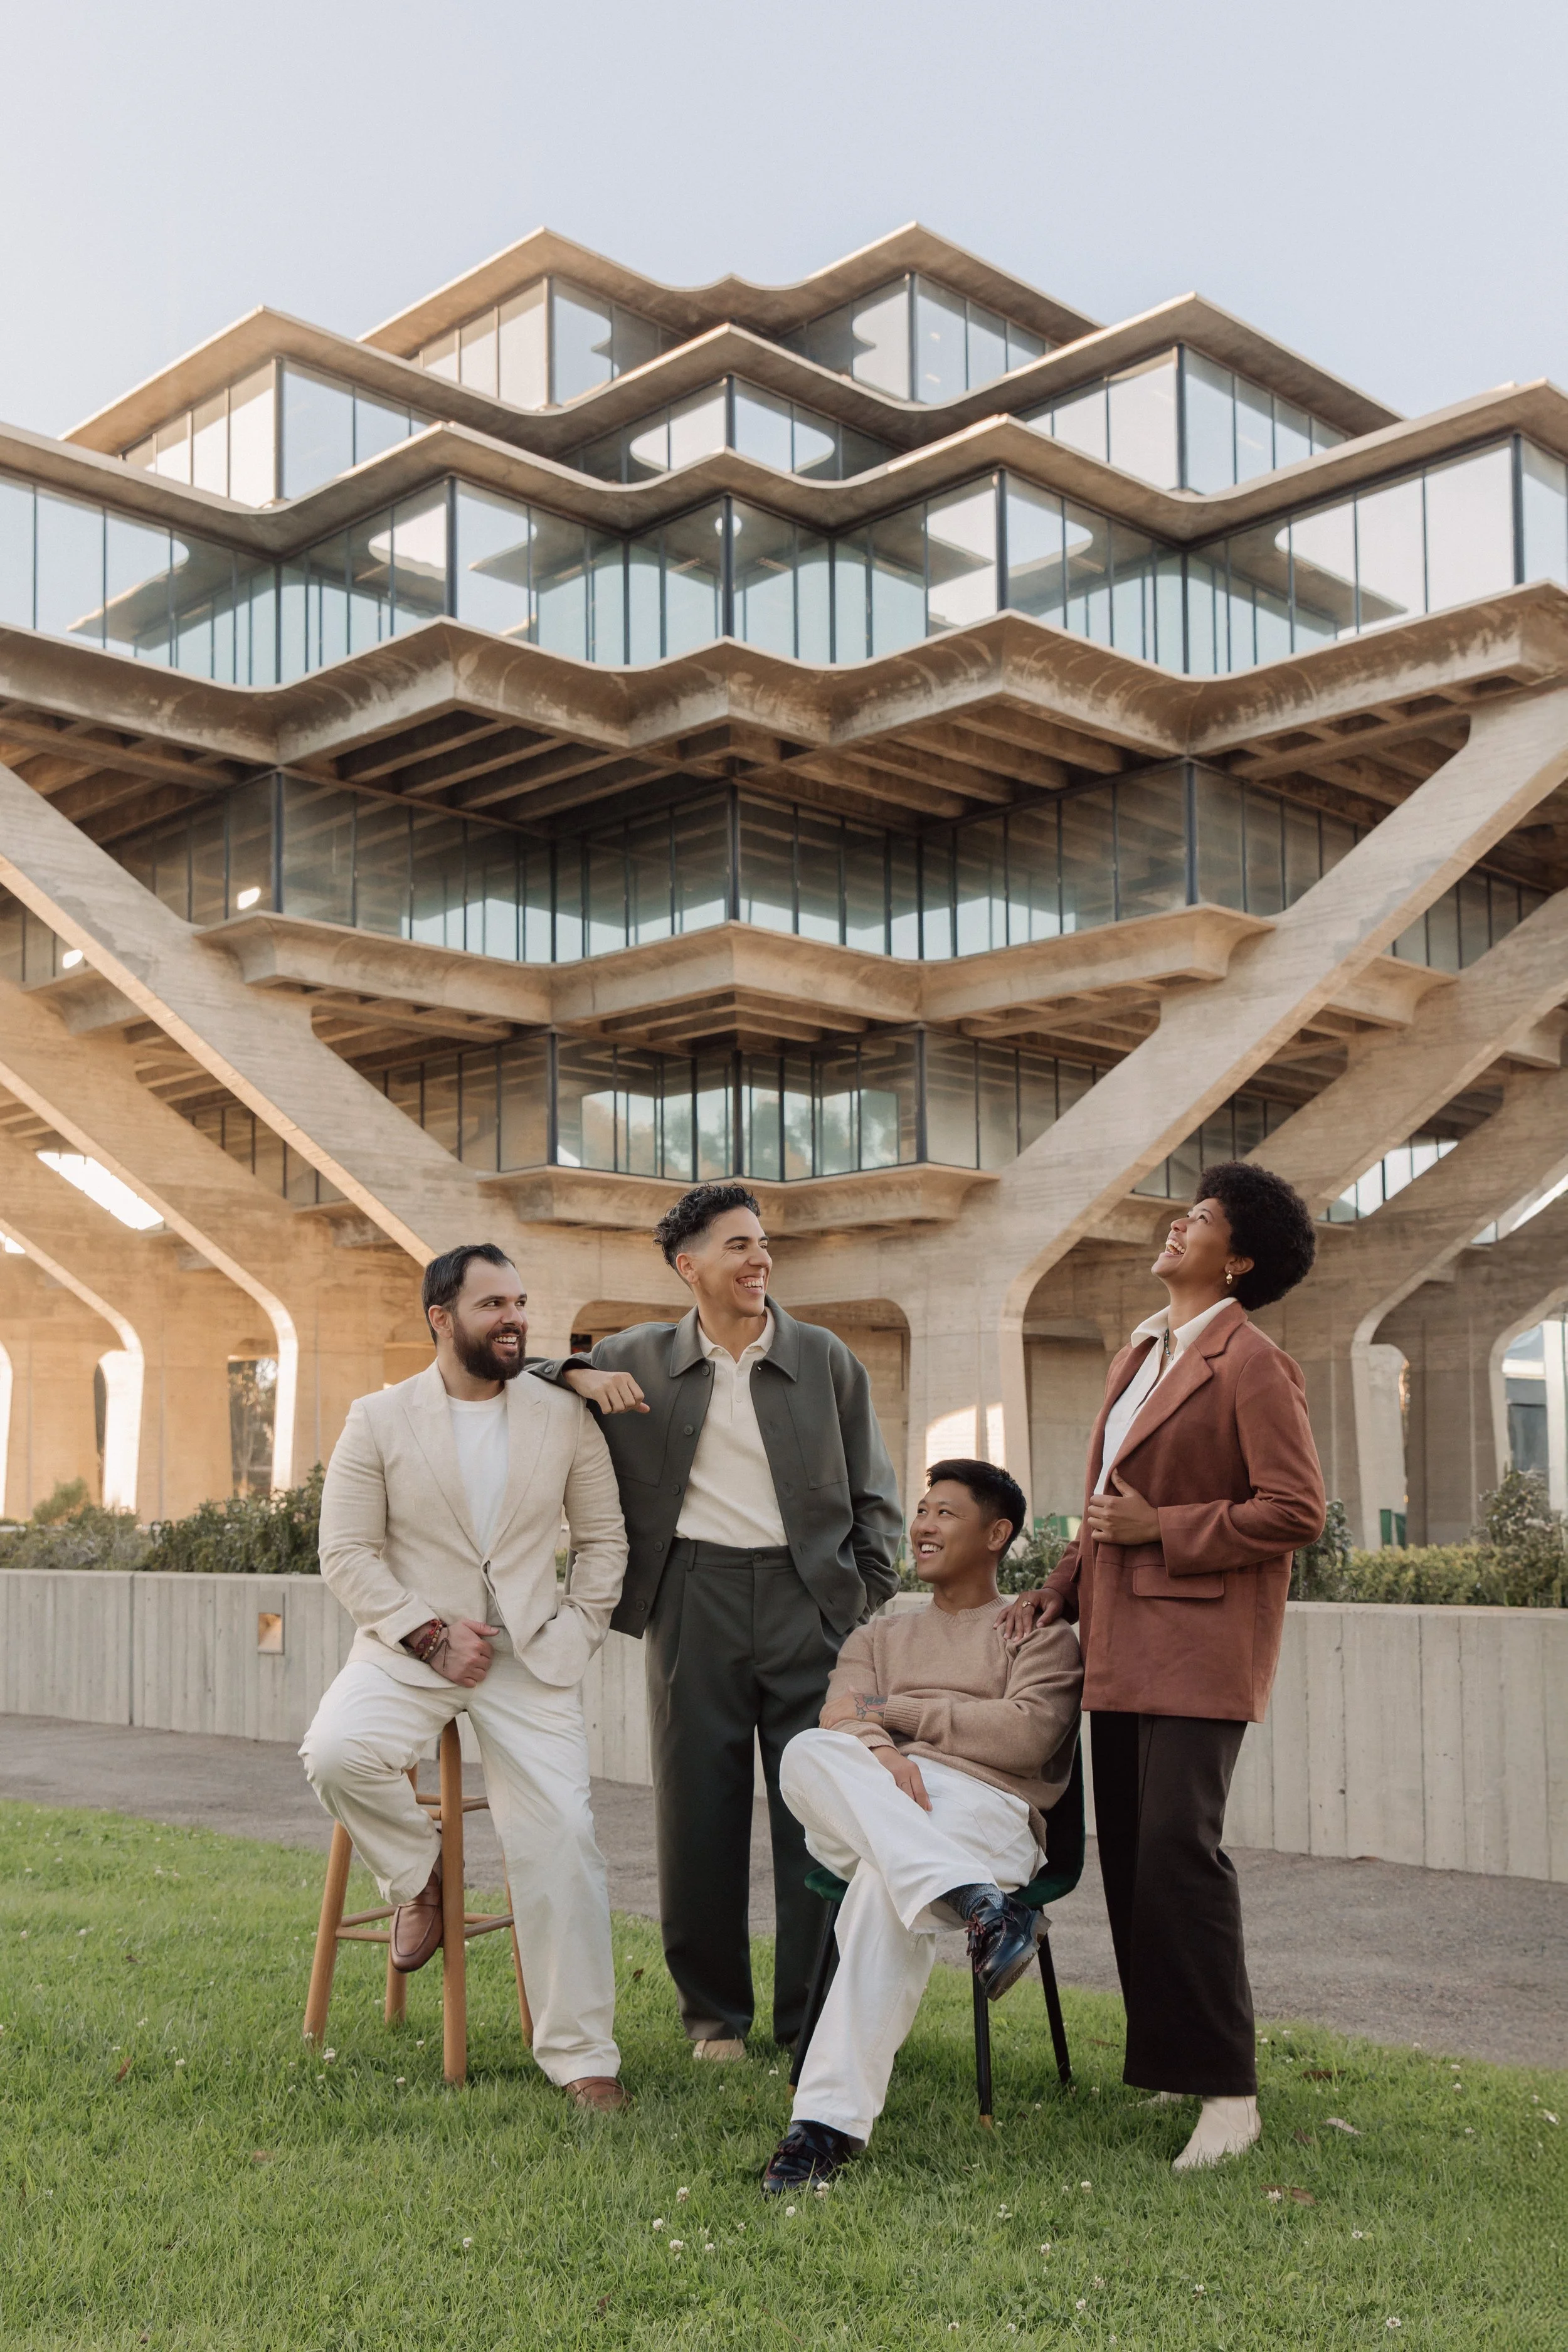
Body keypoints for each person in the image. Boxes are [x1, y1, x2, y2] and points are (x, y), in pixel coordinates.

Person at [528, 1182, 903, 2058]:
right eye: (738, 1245)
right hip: (692, 1599)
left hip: (810, 1601)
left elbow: (875, 1492)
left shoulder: (824, 1357)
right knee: (697, 1814)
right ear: (687, 1265)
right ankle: (714, 2017)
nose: (759, 1259)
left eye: (762, 1244)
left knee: (817, 1816)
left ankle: (811, 2018)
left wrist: (859, 1599)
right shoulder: (637, 1356)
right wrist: (581, 1371)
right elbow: (527, 1373)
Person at [1000, 1162, 1325, 2171]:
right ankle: (1176, 2065)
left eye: (1203, 1218)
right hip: (1118, 1641)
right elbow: (1105, 1501)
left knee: (1183, 1849)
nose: (1178, 1225)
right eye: (1183, 1212)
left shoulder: (1253, 1363)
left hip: (1201, 1644)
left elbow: (1296, 1509)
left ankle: (1230, 2092)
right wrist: (1059, 1586)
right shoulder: (1139, 1351)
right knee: (1138, 1857)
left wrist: (1165, 1528)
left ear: (1239, 1260)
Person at [300, 1243, 630, 2112]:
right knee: (335, 1752)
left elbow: (604, 1542)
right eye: (493, 1305)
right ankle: (420, 1879)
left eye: (519, 1301)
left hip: (532, 1654)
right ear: (441, 1319)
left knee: (564, 1836)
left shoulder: (564, 1415)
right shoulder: (377, 1417)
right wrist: (428, 1634)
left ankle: (582, 2056)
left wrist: (576, 1628)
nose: (514, 1317)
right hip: (411, 1649)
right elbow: (346, 1553)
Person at [760, 1459, 1083, 2192]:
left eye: (946, 1513)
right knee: (806, 1752)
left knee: (883, 1885)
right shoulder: (879, 1634)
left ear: (996, 1535)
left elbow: (1027, 1736)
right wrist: (880, 1753)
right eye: (922, 1511)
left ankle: (822, 2130)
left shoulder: (1039, 1636)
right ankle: (979, 1904)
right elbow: (839, 1716)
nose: (924, 1526)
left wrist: (893, 1714)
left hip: (983, 1808)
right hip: (871, 1796)